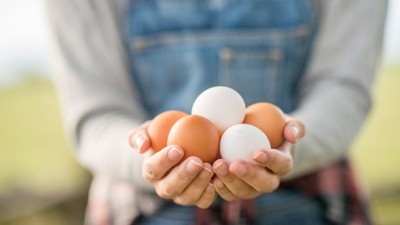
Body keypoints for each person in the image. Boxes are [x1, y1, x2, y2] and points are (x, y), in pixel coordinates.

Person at [46, 0, 387, 224]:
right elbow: (97, 113)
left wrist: (288, 142)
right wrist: (149, 157)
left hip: (308, 201)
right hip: (143, 210)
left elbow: (343, 87)